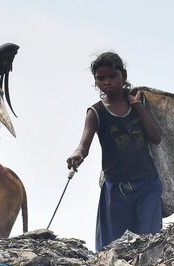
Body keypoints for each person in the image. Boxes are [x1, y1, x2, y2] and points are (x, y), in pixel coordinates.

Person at [67, 52, 163, 251]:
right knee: (113, 249)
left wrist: (138, 107)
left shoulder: (140, 103)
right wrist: (77, 154)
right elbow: (83, 144)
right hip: (116, 190)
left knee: (149, 245)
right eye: (101, 78)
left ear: (123, 76)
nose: (107, 82)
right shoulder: (96, 113)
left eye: (112, 76)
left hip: (147, 185)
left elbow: (156, 137)